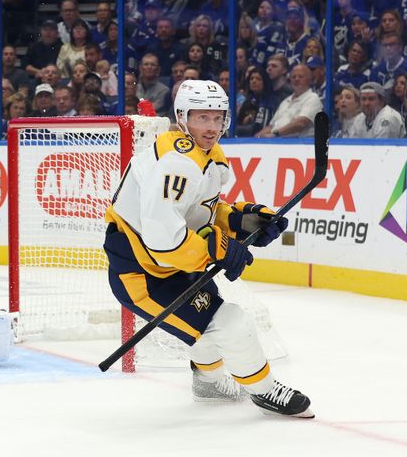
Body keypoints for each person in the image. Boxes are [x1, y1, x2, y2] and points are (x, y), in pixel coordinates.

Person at [103, 79, 313, 418]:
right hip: (143, 273)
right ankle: (264, 390)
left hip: (169, 265)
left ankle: (209, 382)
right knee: (229, 322)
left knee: (206, 322)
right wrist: (216, 248)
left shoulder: (204, 153)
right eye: (203, 118)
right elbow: (161, 239)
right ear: (184, 117)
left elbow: (201, 210)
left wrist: (239, 222)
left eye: (217, 118)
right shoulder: (177, 162)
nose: (212, 127)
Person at [257, 64, 322, 138]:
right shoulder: (285, 101)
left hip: (298, 145)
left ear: (309, 80)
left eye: (300, 76)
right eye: (293, 77)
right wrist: (257, 137)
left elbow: (300, 124)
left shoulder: (312, 98)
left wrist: (275, 134)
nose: (296, 79)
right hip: (278, 142)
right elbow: (271, 126)